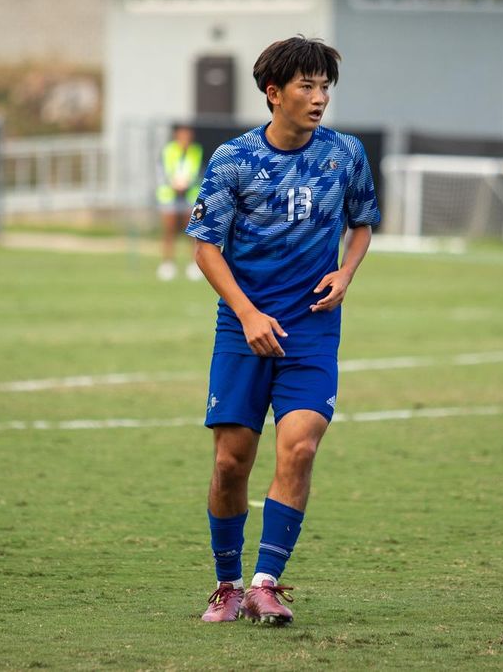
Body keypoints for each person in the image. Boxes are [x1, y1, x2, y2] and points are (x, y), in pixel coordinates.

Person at [185, 36, 380, 625]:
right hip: (243, 327)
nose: (319, 98)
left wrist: (346, 273)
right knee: (230, 462)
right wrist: (247, 313)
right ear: (274, 93)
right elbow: (204, 247)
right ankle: (227, 583)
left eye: (325, 87)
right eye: (307, 86)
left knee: (299, 447)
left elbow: (362, 223)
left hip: (312, 329)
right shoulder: (233, 159)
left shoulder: (345, 153)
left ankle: (266, 583)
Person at [155, 125, 204, 281]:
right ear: (176, 135)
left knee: (193, 232)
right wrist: (173, 184)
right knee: (169, 231)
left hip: (191, 198)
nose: (185, 138)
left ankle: (194, 265)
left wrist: (187, 183)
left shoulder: (197, 151)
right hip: (169, 196)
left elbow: (201, 172)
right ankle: (167, 265)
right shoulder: (168, 150)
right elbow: (161, 171)